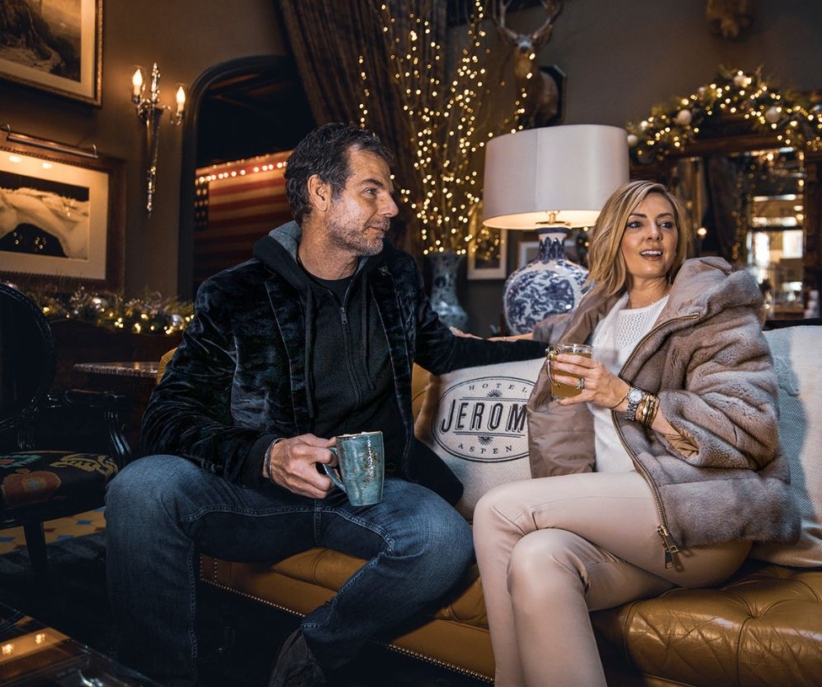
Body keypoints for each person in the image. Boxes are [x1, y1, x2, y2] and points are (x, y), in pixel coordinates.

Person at [105, 123, 545, 687]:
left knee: (442, 540)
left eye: (388, 192)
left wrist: (547, 344)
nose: (390, 207)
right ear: (319, 193)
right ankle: (152, 677)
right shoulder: (234, 294)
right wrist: (266, 455)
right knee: (141, 487)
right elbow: (168, 419)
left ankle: (314, 649)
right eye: (371, 191)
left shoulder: (397, 278)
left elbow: (444, 349)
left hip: (370, 491)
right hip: (256, 495)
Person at [472, 180, 801, 687]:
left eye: (666, 224)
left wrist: (627, 398)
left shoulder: (712, 309)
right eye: (637, 223)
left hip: (699, 512)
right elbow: (542, 358)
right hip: (624, 523)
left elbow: (749, 428)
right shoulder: (596, 313)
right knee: (537, 559)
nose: (655, 235)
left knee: (498, 510)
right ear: (611, 236)